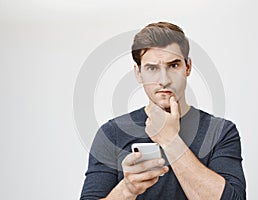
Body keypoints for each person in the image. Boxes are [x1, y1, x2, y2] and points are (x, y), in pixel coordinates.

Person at [80, 22, 246, 200]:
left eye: (173, 66)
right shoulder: (112, 133)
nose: (164, 80)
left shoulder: (220, 131)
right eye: (152, 68)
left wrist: (170, 140)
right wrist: (127, 190)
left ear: (187, 67)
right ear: (138, 73)